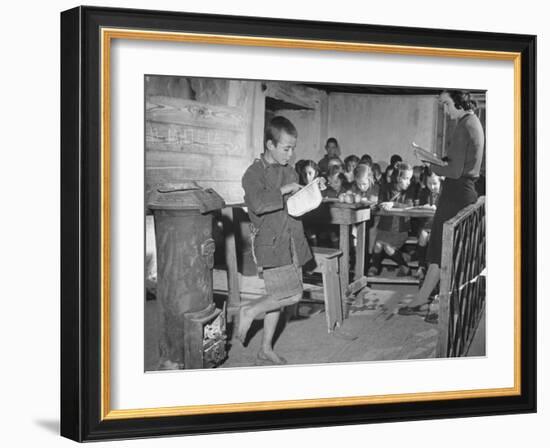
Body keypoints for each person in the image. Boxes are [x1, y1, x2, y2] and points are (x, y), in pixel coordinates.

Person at [400, 90, 484, 320]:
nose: (445, 111)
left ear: (458, 101)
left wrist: (429, 162)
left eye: (446, 104)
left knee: (444, 252)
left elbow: (454, 171)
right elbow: (457, 164)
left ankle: (442, 305)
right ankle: (427, 300)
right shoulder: (473, 121)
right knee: (441, 251)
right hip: (461, 193)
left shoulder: (464, 125)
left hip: (456, 194)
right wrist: (440, 160)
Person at [240, 116, 315, 365]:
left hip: (293, 240)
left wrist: (311, 190)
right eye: (286, 148)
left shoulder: (289, 170)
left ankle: (265, 348)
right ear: (270, 144)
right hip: (272, 244)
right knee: (292, 295)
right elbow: (259, 204)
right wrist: (283, 190)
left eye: (293, 148)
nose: (291, 154)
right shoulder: (253, 173)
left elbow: (294, 205)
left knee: (279, 297)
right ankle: (249, 310)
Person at [368, 162, 414, 277]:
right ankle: (375, 267)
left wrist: (393, 204)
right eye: (406, 178)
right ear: (398, 178)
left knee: (388, 247)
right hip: (385, 227)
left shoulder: (409, 190)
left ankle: (404, 266)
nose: (409, 181)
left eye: (410, 178)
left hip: (400, 229)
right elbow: (380, 203)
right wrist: (378, 205)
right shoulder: (386, 188)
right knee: (378, 245)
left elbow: (409, 206)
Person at [414, 167, 442, 281]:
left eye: (435, 183)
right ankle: (421, 266)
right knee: (423, 236)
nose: (432, 187)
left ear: (440, 181)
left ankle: (432, 270)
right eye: (429, 183)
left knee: (431, 238)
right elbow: (419, 208)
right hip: (426, 224)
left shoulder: (445, 193)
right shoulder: (424, 192)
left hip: (439, 225)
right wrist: (423, 207)